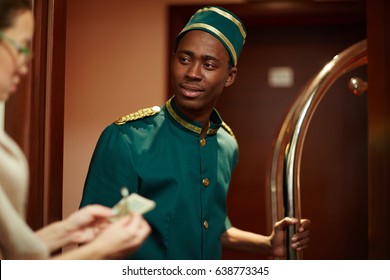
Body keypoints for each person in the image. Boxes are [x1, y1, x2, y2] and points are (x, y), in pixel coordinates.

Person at [80, 6, 311, 259]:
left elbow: (211, 227)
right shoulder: (126, 139)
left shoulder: (226, 143)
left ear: (230, 76)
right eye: (184, 59)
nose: (192, 73)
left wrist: (266, 245)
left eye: (209, 64)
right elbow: (93, 243)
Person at [0, 0, 151, 260]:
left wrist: (66, 231)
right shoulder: (121, 136)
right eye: (20, 47)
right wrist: (100, 251)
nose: (24, 66)